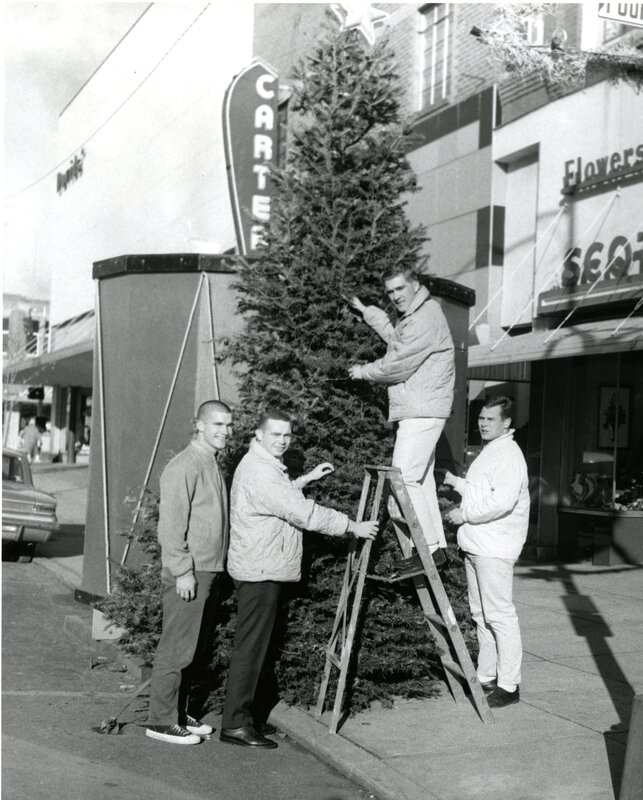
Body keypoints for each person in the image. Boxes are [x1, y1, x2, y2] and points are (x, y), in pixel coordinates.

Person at [220, 408, 378, 749]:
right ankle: (235, 724)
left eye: (287, 435)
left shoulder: (263, 467)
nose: (282, 441)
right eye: (275, 435)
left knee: (257, 646)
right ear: (259, 435)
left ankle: (245, 719)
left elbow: (279, 498)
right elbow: (302, 512)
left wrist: (304, 480)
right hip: (260, 571)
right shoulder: (261, 471)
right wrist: (353, 526)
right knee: (251, 648)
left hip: (261, 567)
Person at [347, 267, 454, 574]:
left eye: (400, 289)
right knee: (420, 482)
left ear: (415, 285)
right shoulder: (419, 314)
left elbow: (396, 364)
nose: (395, 296)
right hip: (424, 408)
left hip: (421, 410)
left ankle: (429, 551)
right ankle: (436, 550)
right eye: (390, 292)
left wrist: (362, 371)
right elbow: (397, 338)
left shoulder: (423, 318)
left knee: (404, 481)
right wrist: (367, 311)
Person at [145, 400, 233, 745]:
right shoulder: (184, 466)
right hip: (190, 572)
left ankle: (178, 713)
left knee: (192, 648)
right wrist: (183, 570)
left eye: (229, 425)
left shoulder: (208, 462)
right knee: (176, 648)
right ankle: (161, 721)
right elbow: (171, 527)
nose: (225, 432)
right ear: (198, 425)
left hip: (208, 569)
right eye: (217, 425)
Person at [443, 396, 529, 709]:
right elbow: (482, 493)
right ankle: (486, 675)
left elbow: (501, 502)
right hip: (477, 545)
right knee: (482, 615)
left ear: (507, 423)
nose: (483, 423)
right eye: (481, 417)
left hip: (494, 547)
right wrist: (455, 482)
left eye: (490, 419)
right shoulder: (491, 451)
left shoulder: (508, 454)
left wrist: (464, 515)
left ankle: (509, 685)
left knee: (500, 615)